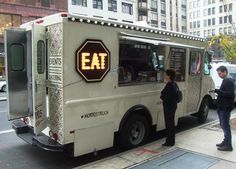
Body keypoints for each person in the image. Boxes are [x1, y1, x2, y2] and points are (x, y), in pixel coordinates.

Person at [214, 66, 234, 151]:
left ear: (225, 72)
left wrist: (217, 91)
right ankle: (226, 141)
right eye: (218, 73)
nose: (219, 75)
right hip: (222, 107)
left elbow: (230, 94)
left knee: (225, 126)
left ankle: (228, 145)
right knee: (223, 125)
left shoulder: (228, 80)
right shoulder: (227, 80)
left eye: (220, 73)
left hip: (225, 108)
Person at [160, 69, 178, 146]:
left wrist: (162, 96)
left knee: (169, 124)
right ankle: (171, 141)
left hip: (168, 107)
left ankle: (169, 141)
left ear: (169, 76)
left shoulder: (169, 85)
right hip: (173, 106)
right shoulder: (174, 84)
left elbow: (165, 96)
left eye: (165, 74)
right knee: (171, 124)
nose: (164, 76)